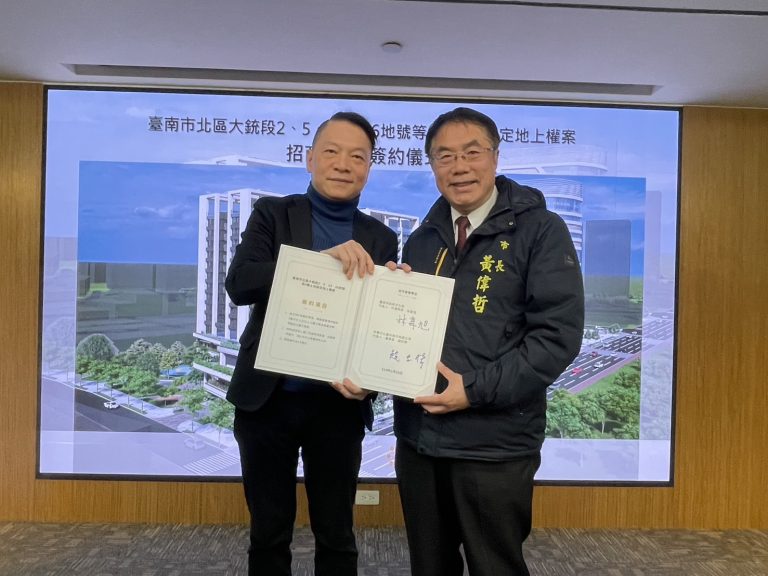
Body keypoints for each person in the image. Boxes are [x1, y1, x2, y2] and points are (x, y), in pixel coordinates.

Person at [393, 107, 584, 576]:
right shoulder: (421, 239)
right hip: (420, 442)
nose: (459, 167)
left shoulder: (541, 230)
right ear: (432, 165)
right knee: (429, 567)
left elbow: (556, 337)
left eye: (471, 152)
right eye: (444, 156)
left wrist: (474, 390)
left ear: (495, 157)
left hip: (494, 445)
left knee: (495, 566)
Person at [225, 111, 398, 576]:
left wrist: (372, 378)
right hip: (268, 401)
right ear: (309, 159)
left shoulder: (381, 237)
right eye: (332, 152)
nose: (343, 164)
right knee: (268, 532)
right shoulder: (273, 214)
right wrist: (317, 263)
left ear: (369, 168)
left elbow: (374, 324)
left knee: (338, 534)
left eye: (357, 156)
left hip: (338, 407)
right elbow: (240, 283)